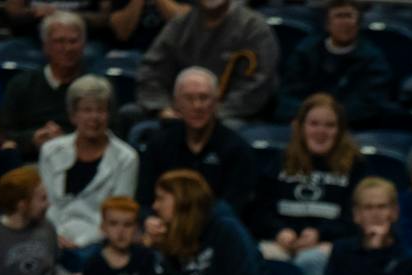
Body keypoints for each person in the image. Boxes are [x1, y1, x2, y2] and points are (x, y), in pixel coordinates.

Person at [254, 93, 357, 275]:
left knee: (311, 260)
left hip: (327, 244)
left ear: (340, 130)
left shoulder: (356, 167)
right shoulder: (279, 161)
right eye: (314, 124)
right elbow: (260, 210)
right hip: (281, 242)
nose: (321, 131)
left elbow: (355, 218)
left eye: (329, 125)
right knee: (262, 255)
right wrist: (280, 232)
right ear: (300, 127)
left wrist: (320, 234)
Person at [38, 75, 138, 252]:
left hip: (98, 242)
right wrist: (53, 236)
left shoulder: (127, 158)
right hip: (50, 236)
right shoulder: (50, 151)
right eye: (86, 110)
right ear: (73, 115)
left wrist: (82, 243)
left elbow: (119, 213)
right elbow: (44, 204)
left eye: (100, 110)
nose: (94, 117)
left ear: (109, 115)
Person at [137, 0, 278, 123]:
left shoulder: (254, 28)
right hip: (178, 113)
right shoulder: (180, 25)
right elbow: (151, 71)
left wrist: (212, 114)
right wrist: (162, 107)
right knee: (132, 115)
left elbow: (257, 85)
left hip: (231, 115)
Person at [135, 67, 255, 209]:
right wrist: (149, 220)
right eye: (189, 98)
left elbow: (233, 209)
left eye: (204, 98)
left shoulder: (237, 149)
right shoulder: (159, 144)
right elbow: (144, 201)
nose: (197, 106)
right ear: (176, 104)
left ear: (216, 101)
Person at [152, 170, 261, 275]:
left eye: (160, 199)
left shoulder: (226, 230)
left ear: (182, 200)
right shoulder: (170, 238)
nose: (155, 206)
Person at [324, 177, 412, 275]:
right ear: (357, 214)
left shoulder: (406, 256)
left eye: (382, 207)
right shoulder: (341, 249)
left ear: (394, 212)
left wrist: (376, 251)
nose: (375, 214)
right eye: (368, 207)